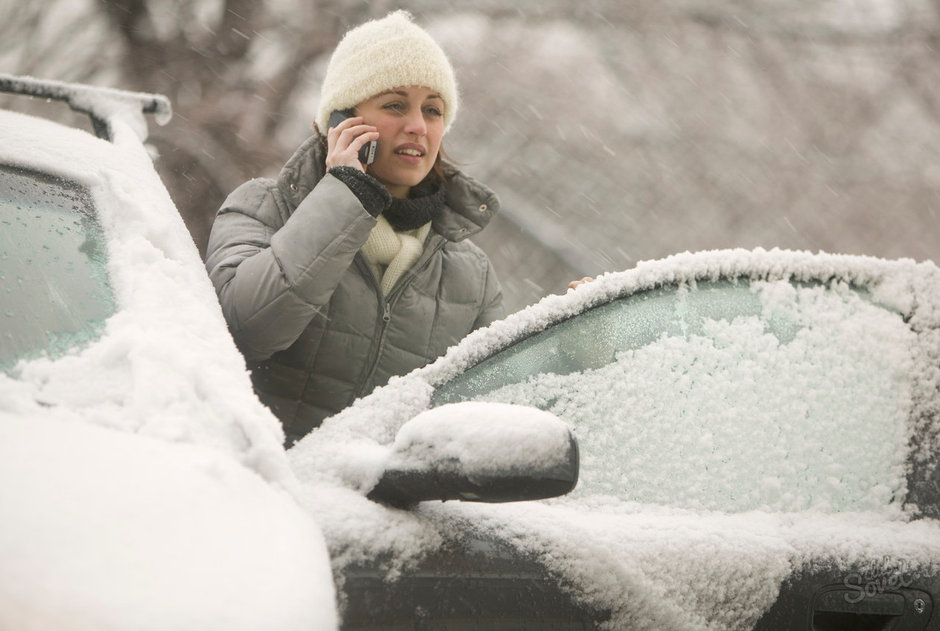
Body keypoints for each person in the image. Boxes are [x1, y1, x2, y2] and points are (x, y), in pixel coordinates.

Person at [205, 11, 504, 446]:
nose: (418, 125)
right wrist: (345, 194)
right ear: (339, 121)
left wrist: (577, 345)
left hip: (382, 511)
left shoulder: (471, 275)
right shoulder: (262, 208)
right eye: (395, 105)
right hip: (263, 498)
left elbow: (495, 412)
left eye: (433, 110)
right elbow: (249, 329)